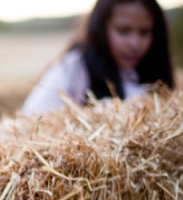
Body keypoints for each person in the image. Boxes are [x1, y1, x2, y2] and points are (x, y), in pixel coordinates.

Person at [21, 0, 174, 115]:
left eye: (144, 32)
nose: (134, 43)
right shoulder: (73, 68)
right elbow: (30, 121)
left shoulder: (153, 74)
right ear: (100, 29)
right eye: (123, 31)